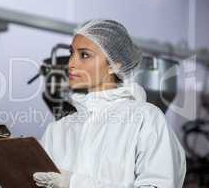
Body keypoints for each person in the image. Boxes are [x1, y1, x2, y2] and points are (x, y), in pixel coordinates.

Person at [32, 19, 186, 188]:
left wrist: (74, 184)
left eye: (84, 55)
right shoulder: (58, 130)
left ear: (114, 64)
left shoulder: (145, 118)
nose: (71, 64)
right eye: (71, 53)